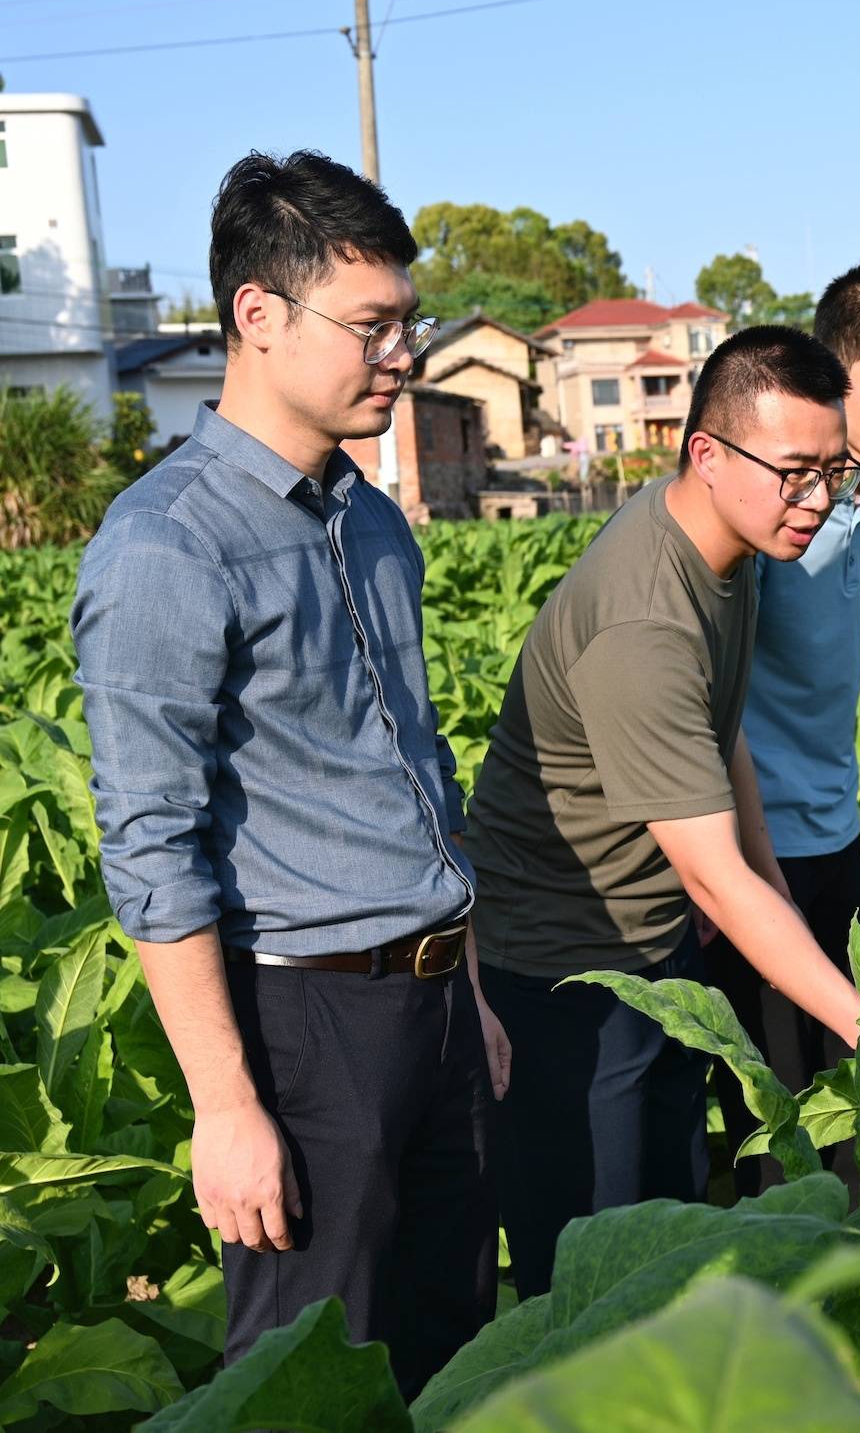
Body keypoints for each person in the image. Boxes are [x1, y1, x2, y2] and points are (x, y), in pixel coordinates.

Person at [70, 150, 503, 1397]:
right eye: (372, 325)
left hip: (434, 1009)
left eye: (405, 322)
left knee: (451, 1353)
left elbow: (416, 766)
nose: (402, 353)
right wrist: (226, 1104)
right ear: (258, 316)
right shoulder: (167, 546)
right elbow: (151, 848)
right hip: (307, 1027)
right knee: (308, 1384)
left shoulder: (366, 514)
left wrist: (467, 991)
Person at [466, 325, 860, 1296]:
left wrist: (774, 882)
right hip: (565, 982)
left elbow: (718, 731)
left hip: (652, 954)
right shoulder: (644, 615)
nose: (815, 502)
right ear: (705, 453)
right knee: (594, 1285)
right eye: (793, 474)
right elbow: (713, 881)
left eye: (832, 472)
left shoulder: (720, 545)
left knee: (679, 1231)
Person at [709, 262, 860, 1195]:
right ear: (832, 378)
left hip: (835, 830)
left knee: (855, 1098)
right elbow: (707, 690)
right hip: (755, 851)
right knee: (777, 1117)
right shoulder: (765, 504)